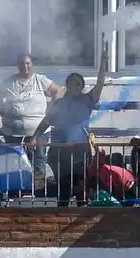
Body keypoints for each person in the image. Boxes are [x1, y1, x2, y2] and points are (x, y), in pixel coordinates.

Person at [33, 38, 109, 206]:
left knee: (81, 188)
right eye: (72, 83)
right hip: (60, 150)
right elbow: (46, 121)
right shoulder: (59, 104)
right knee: (64, 189)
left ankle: (81, 221)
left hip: (80, 149)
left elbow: (100, 84)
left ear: (81, 87)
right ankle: (60, 218)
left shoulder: (87, 100)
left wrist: (103, 63)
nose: (75, 86)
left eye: (78, 84)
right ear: (67, 85)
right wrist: (35, 136)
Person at [0, 53, 60, 174]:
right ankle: (18, 191)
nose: (25, 66)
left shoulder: (40, 80)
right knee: (15, 164)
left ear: (32, 64)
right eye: (22, 63)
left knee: (39, 162)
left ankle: (39, 191)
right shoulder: (9, 81)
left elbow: (57, 90)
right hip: (12, 133)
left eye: (28, 63)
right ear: (17, 65)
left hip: (39, 131)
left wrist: (51, 108)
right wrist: (1, 109)